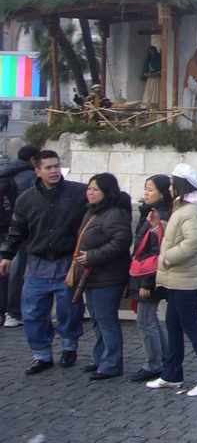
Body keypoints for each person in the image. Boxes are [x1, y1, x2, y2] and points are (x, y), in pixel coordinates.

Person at [0, 149, 88, 374]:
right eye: (48, 167)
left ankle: (69, 346)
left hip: (67, 261)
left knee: (69, 310)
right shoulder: (26, 198)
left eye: (56, 166)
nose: (54, 171)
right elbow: (17, 229)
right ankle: (41, 354)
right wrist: (7, 255)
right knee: (33, 312)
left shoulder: (78, 192)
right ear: (37, 171)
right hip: (37, 262)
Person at [146, 163, 197, 396]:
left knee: (191, 327)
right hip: (178, 278)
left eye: (171, 184)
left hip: (183, 278)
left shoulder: (189, 210)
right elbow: (181, 235)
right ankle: (172, 373)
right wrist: (159, 226)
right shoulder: (185, 207)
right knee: (174, 325)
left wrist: (169, 258)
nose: (169, 188)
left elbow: (193, 242)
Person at [75, 172, 132, 379]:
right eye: (89, 188)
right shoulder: (93, 212)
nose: (90, 193)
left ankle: (111, 364)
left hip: (107, 277)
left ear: (106, 192)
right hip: (92, 276)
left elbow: (120, 242)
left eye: (95, 189)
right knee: (97, 320)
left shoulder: (114, 213)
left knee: (107, 321)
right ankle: (100, 358)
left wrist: (92, 256)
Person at [126, 174, 172, 382]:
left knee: (145, 319)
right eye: (145, 188)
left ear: (162, 193)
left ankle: (153, 363)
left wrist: (147, 282)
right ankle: (162, 357)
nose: (146, 193)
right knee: (150, 318)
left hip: (149, 276)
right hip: (148, 274)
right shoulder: (153, 212)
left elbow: (156, 251)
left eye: (150, 189)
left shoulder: (159, 216)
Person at [0, 144, 39, 327]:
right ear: (32, 160)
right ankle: (13, 312)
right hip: (19, 230)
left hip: (2, 226)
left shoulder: (4, 171)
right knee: (17, 270)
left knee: (3, 267)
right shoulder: (31, 177)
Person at [140, 46, 162, 110]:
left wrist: (156, 73)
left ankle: (155, 108)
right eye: (150, 51)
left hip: (156, 80)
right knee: (148, 94)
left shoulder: (159, 59)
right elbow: (145, 70)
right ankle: (147, 108)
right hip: (150, 80)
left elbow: (160, 70)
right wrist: (146, 74)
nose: (151, 52)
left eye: (152, 51)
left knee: (155, 93)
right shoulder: (148, 59)